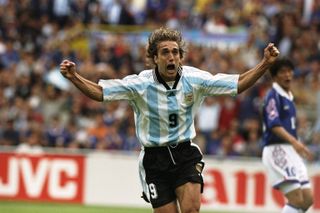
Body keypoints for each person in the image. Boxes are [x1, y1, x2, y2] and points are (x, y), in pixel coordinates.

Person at [60, 27, 280, 213]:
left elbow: (237, 84)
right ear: (155, 58)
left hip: (185, 153)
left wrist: (265, 64)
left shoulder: (195, 79)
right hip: (154, 159)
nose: (171, 57)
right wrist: (74, 77)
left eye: (175, 52)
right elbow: (100, 92)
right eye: (165, 52)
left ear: (181, 56)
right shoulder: (140, 84)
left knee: (192, 210)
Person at [261, 58, 314, 213]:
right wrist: (295, 142)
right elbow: (274, 125)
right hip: (276, 149)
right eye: (283, 72)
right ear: (275, 76)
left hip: (290, 150)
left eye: (290, 71)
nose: (287, 75)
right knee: (296, 198)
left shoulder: (288, 97)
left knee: (307, 199)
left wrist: (296, 144)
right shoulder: (273, 96)